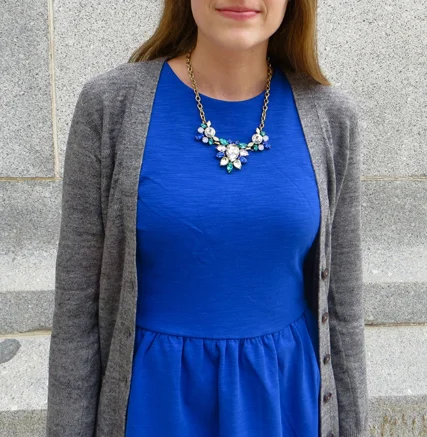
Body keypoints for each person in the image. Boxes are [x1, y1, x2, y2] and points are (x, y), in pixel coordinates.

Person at [46, 1, 370, 436]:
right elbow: (77, 312)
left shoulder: (332, 117)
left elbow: (343, 308)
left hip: (285, 402)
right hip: (154, 404)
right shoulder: (110, 106)